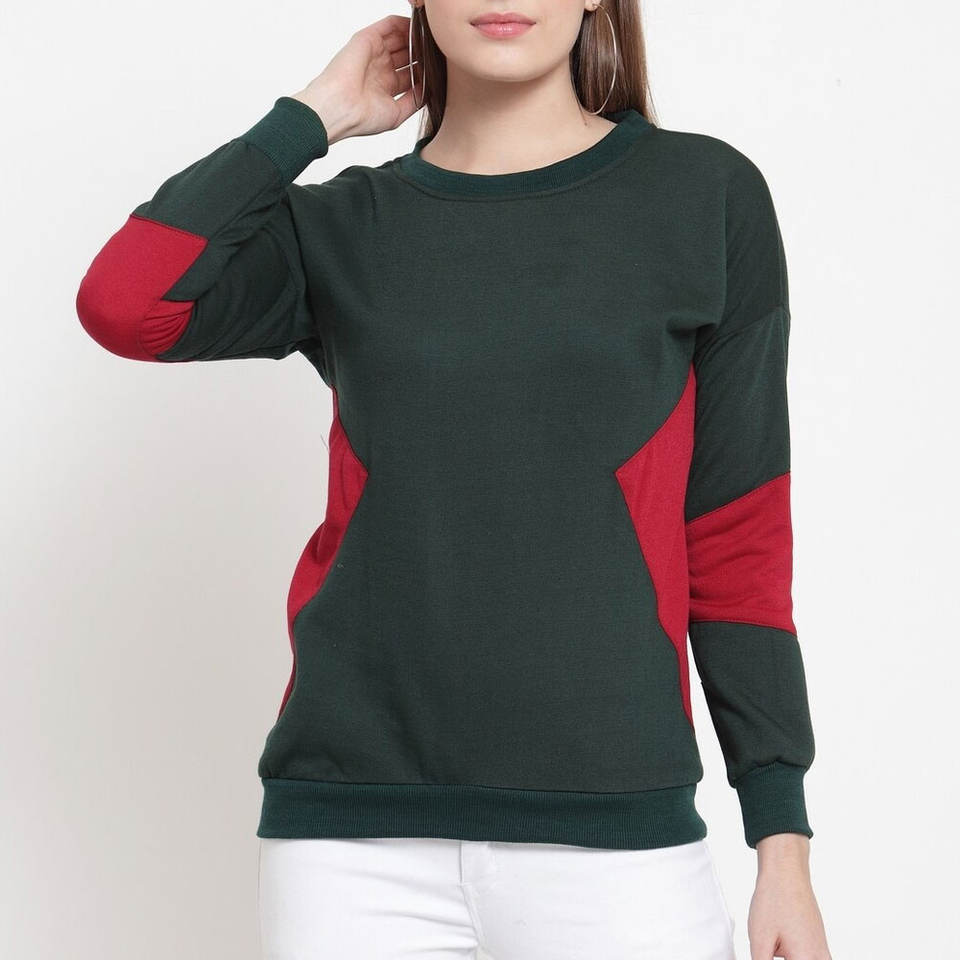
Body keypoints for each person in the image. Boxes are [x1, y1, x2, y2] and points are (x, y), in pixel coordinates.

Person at [75, 2, 833, 958]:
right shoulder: (345, 224)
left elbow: (737, 538)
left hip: (615, 837)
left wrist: (781, 842)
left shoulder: (703, 196)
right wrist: (310, 118)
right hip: (349, 843)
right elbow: (125, 304)